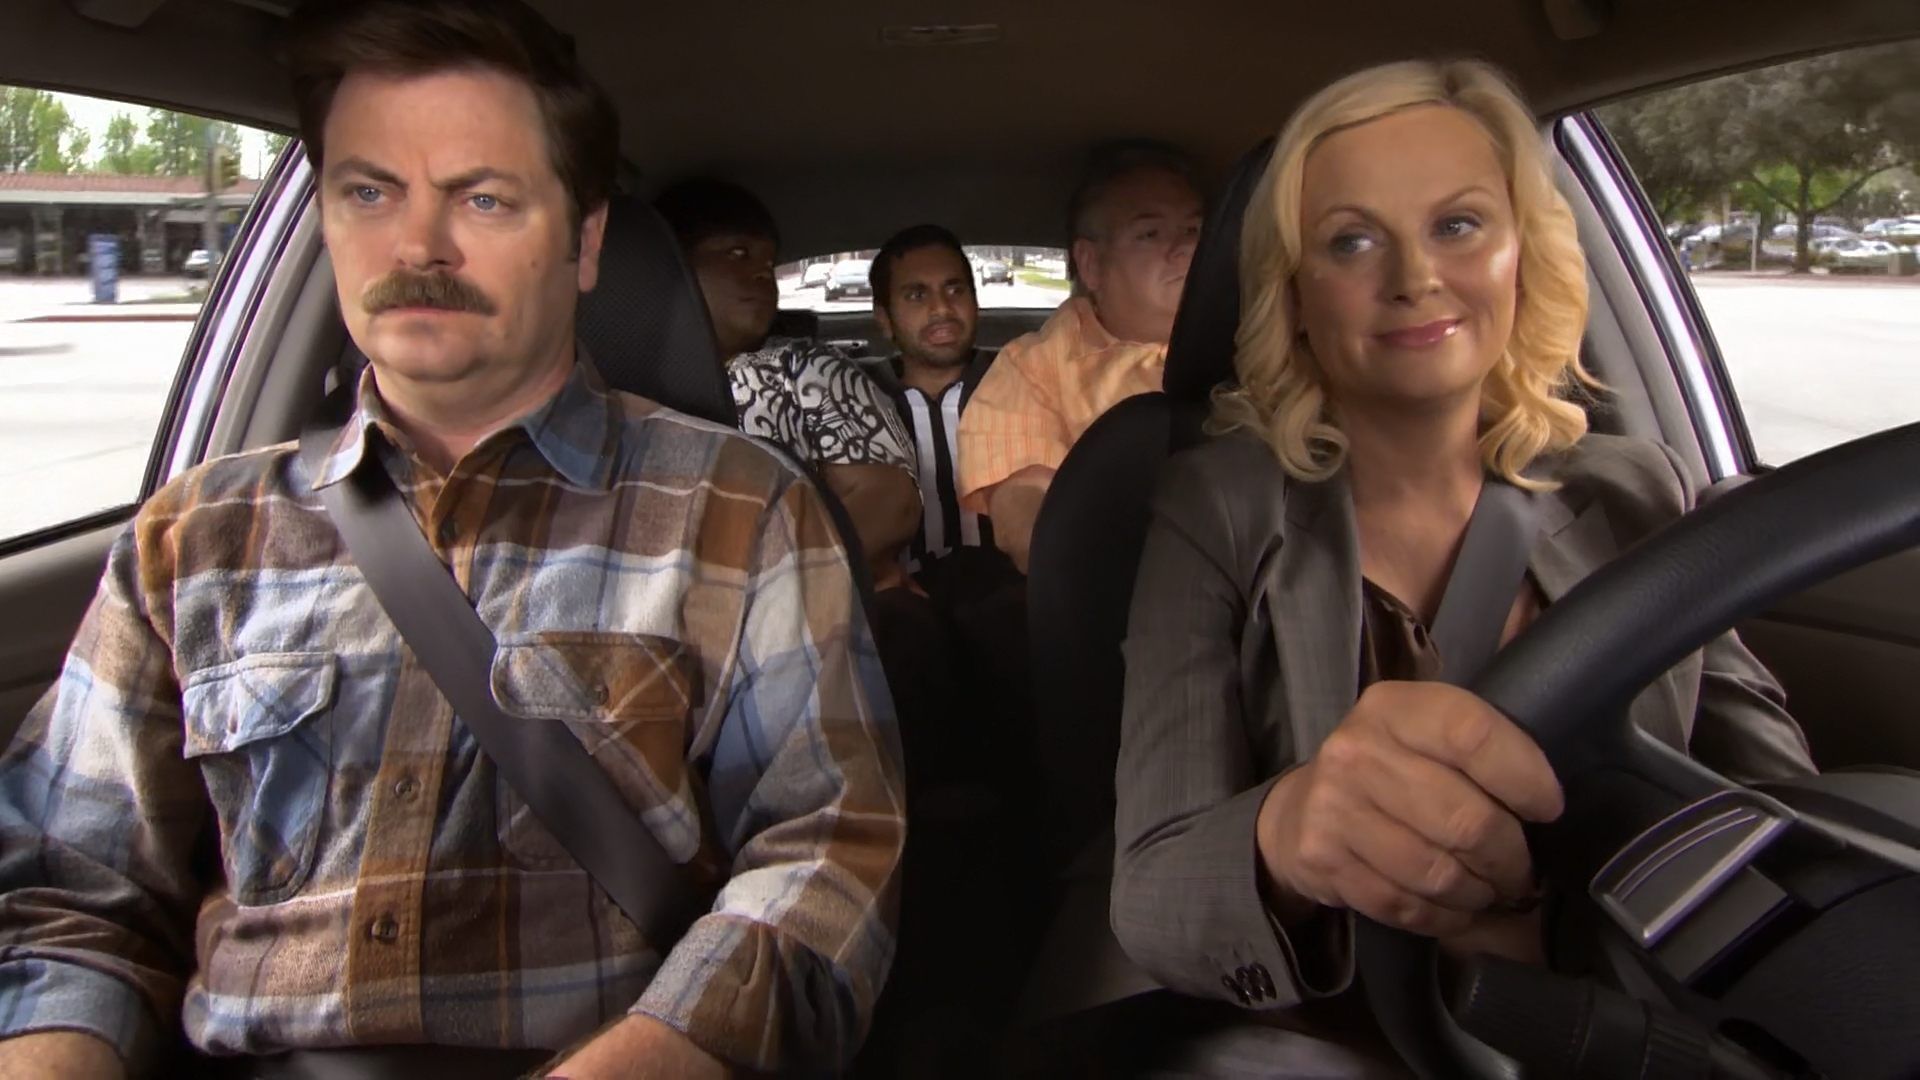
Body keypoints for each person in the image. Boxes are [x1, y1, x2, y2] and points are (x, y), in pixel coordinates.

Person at [0, 2, 905, 1077]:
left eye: (483, 198)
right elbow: (63, 897)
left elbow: (823, 861)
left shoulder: (742, 509)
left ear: (583, 244)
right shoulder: (191, 536)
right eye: (369, 192)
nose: (417, 244)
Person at [1110, 59, 1815, 1075]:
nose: (1415, 277)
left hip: (1631, 1029)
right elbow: (1151, 892)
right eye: (1352, 241)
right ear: (1294, 295)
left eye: (1459, 224)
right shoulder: (1213, 508)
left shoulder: (1636, 491)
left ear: (1522, 254)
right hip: (1361, 1042)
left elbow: (1775, 802)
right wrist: (1289, 832)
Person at [654, 178, 921, 590]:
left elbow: (890, 505)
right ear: (673, 263)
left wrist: (764, 590)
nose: (763, 274)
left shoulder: (808, 369)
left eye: (769, 262)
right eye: (738, 254)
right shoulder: (614, 383)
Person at [955, 140, 1205, 572]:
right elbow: (1024, 504)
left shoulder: (1263, 344)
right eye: (1150, 234)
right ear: (1090, 265)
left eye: (1194, 230)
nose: (1184, 250)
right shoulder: (1033, 368)